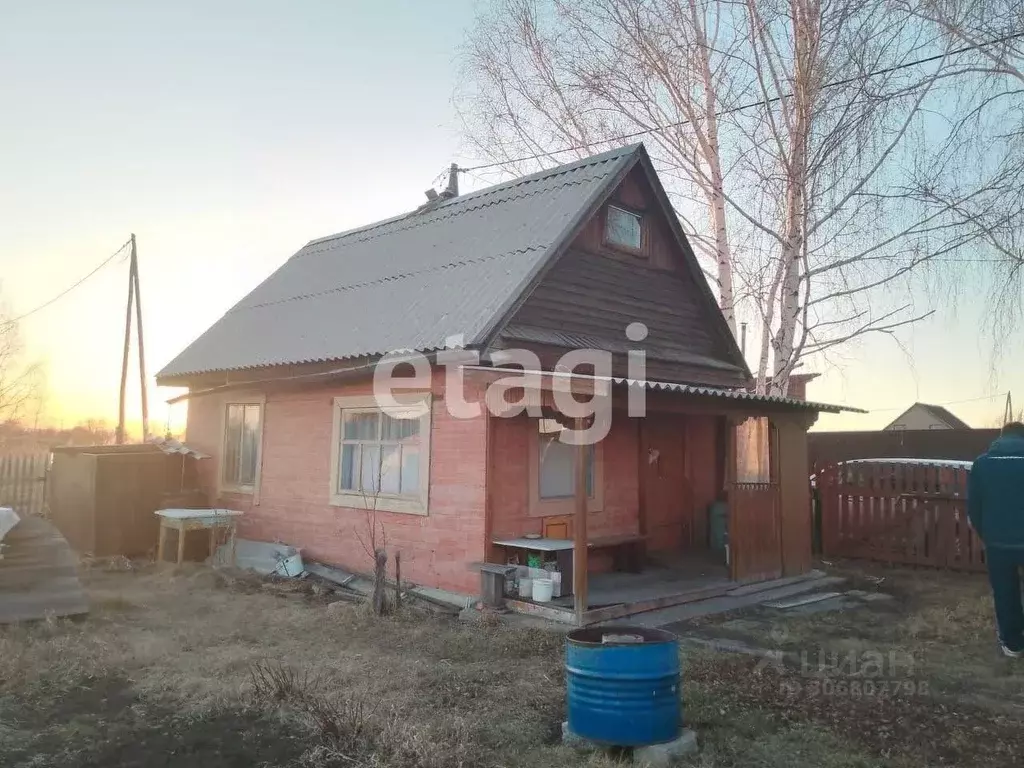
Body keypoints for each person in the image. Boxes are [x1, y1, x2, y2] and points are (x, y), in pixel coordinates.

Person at [968, 421, 1024, 658]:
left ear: (1000, 437)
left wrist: (985, 535)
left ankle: (1013, 645)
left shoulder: (982, 464)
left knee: (1004, 592)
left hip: (998, 542)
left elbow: (975, 509)